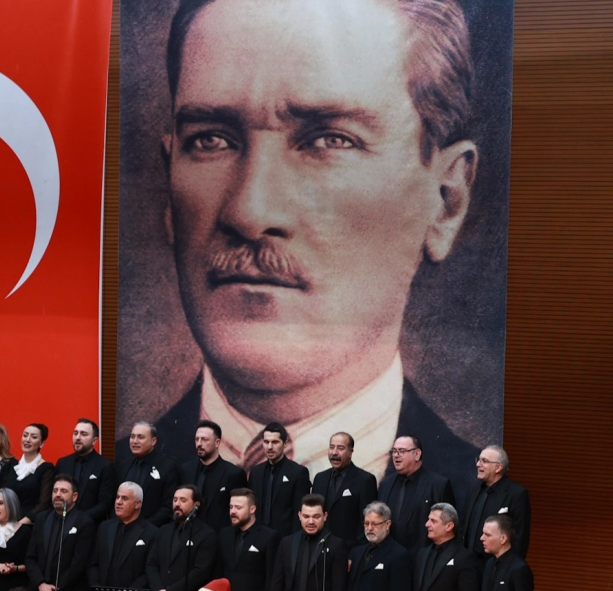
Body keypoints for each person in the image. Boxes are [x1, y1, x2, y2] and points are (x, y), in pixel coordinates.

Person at [145, 0, 484, 485]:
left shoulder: (484, 504)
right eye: (211, 140)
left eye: (330, 140)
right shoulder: (104, 487)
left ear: (446, 200)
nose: (249, 211)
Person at [24, 476, 95, 591]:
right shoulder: (41, 519)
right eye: (55, 491)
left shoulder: (84, 523)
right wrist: (41, 585)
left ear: (75, 496)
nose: (58, 495)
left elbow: (79, 564)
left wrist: (54, 589)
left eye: (64, 491)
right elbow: (30, 558)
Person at [145, 485, 220, 591]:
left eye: (183, 500)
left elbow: (200, 571)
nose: (177, 504)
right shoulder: (163, 531)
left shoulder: (206, 534)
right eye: (175, 500)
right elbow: (151, 564)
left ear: (196, 505)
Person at [378, 436, 455, 553]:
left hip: (423, 560)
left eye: (402, 451)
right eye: (394, 451)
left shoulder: (438, 485)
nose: (396, 455)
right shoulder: (385, 484)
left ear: (417, 454)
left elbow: (449, 530)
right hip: (389, 559)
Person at [461, 445, 530, 559]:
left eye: (485, 461)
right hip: (469, 564)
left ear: (498, 468)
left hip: (495, 566)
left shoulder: (517, 494)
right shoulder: (474, 490)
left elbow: (521, 537)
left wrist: (508, 569)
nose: (478, 464)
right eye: (478, 459)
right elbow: (464, 527)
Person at [309, 432, 378, 545]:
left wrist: (356, 554)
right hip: (319, 547)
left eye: (340, 448)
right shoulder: (320, 478)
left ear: (351, 451)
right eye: (331, 447)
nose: (334, 452)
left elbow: (366, 521)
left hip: (348, 550)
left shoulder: (365, 480)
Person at [245, 424, 312, 537]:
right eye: (266, 442)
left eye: (275, 442)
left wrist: (292, 543)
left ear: (285, 444)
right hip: (257, 537)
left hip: (284, 539)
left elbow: (299, 512)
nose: (269, 447)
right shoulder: (256, 472)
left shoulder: (298, 472)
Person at [54, 417, 117, 524]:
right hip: (62, 524)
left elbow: (105, 504)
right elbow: (55, 495)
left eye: (83, 434)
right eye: (75, 433)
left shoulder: (105, 466)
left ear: (94, 440)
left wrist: (79, 519)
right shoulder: (63, 463)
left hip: (90, 526)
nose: (78, 437)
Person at [116, 422, 177, 526]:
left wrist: (145, 527)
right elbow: (114, 499)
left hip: (153, 531)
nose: (135, 441)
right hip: (122, 530)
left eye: (140, 437)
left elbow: (168, 506)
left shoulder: (167, 467)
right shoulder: (123, 466)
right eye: (132, 437)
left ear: (153, 441)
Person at [190, 422, 246, 531]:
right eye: (197, 439)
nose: (199, 444)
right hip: (189, 536)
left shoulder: (234, 474)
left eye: (204, 440)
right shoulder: (185, 470)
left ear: (217, 443)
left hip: (219, 538)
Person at [4, 423, 54, 513]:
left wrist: (23, 522)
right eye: (25, 435)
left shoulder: (46, 469)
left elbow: (44, 504)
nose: (27, 440)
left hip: (31, 522)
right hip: (7, 518)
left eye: (33, 437)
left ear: (41, 443)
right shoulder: (11, 465)